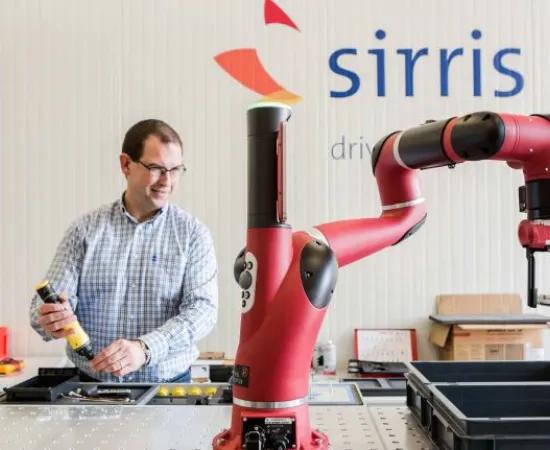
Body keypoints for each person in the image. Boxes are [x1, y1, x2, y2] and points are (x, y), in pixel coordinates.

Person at [29, 119, 218, 383]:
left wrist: (145, 348)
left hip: (166, 390)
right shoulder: (84, 231)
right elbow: (45, 307)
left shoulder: (192, 235)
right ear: (125, 165)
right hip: (89, 388)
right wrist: (52, 318)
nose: (167, 180)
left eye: (175, 170)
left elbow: (202, 311)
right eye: (156, 168)